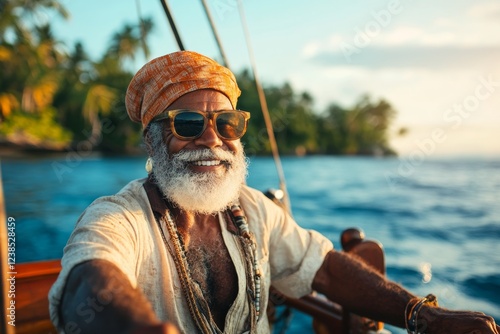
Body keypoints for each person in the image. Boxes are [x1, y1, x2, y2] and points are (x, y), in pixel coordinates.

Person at [48, 51, 499, 334]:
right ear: (151, 139)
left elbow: (322, 265)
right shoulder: (118, 217)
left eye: (226, 124)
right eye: (188, 124)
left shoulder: (251, 210)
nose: (212, 140)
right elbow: (89, 282)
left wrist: (424, 316)